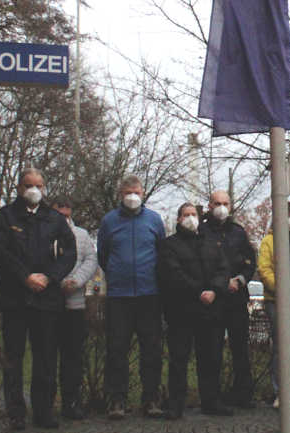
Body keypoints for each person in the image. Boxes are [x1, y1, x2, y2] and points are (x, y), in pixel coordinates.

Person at [0, 168, 76, 430]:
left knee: (46, 357)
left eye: (38, 185)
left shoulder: (54, 219)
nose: (33, 190)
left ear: (44, 188)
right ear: (19, 188)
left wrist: (49, 277)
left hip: (46, 299)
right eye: (28, 185)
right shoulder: (5, 216)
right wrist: (25, 277)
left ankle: (43, 411)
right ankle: (15, 412)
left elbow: (69, 253)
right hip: (15, 298)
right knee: (13, 357)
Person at [96, 175, 166, 420]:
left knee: (152, 351)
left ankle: (151, 399)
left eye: (136, 192)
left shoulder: (155, 221)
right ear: (120, 194)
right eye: (128, 192)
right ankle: (117, 400)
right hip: (119, 296)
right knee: (116, 349)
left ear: (143, 192)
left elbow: (161, 253)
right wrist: (117, 275)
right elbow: (103, 255)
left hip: (149, 294)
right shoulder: (109, 222)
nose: (132, 196)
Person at [159, 203, 231, 419]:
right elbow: (173, 274)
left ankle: (211, 401)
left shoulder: (211, 243)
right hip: (182, 310)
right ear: (179, 219)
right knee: (179, 359)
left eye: (193, 215)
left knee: (211, 358)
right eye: (186, 215)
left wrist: (215, 290)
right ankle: (176, 404)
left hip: (210, 310)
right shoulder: (169, 245)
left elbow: (223, 269)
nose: (190, 218)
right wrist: (199, 291)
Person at [201, 190, 257, 409]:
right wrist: (219, 284)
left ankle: (243, 395)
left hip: (236, 298)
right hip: (214, 300)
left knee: (240, 349)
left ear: (231, 206)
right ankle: (212, 398)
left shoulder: (238, 233)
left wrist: (240, 280)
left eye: (225, 203)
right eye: (217, 203)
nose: (221, 207)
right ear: (209, 205)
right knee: (212, 350)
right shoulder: (202, 232)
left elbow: (250, 262)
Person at [50, 199, 98, 421]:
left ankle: (72, 402)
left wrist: (76, 281)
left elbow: (91, 260)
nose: (65, 218)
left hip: (75, 302)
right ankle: (46, 404)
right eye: (60, 214)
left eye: (68, 214)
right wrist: (56, 282)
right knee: (47, 356)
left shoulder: (82, 234)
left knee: (74, 357)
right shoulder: (43, 233)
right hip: (49, 302)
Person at [256, 201, 290, 408]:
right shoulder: (268, 241)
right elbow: (264, 270)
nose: (287, 218)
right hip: (276, 300)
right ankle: (280, 391)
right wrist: (282, 289)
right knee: (280, 348)